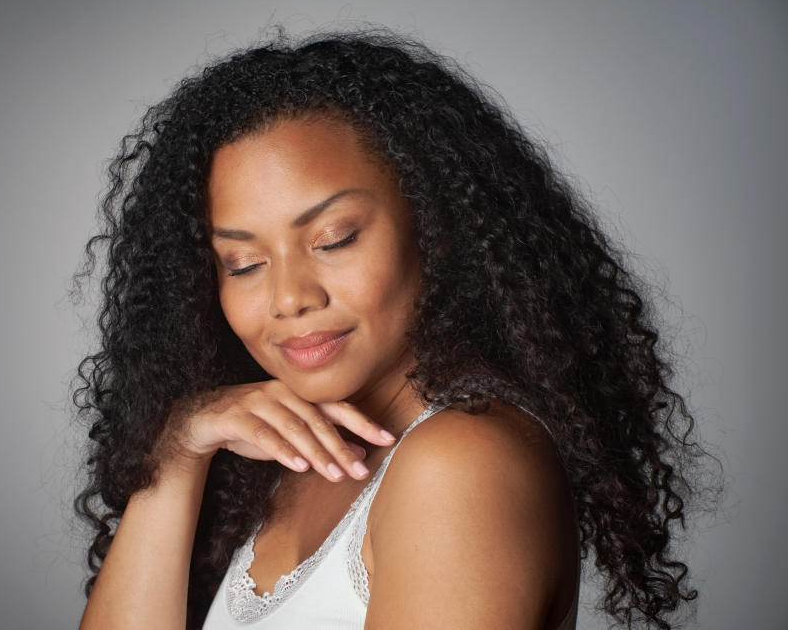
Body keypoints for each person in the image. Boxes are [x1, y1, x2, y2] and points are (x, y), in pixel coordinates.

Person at [72, 30, 707, 629]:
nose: (290, 298)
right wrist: (181, 448)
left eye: (334, 239)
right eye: (244, 263)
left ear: (434, 227)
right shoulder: (272, 464)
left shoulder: (460, 463)